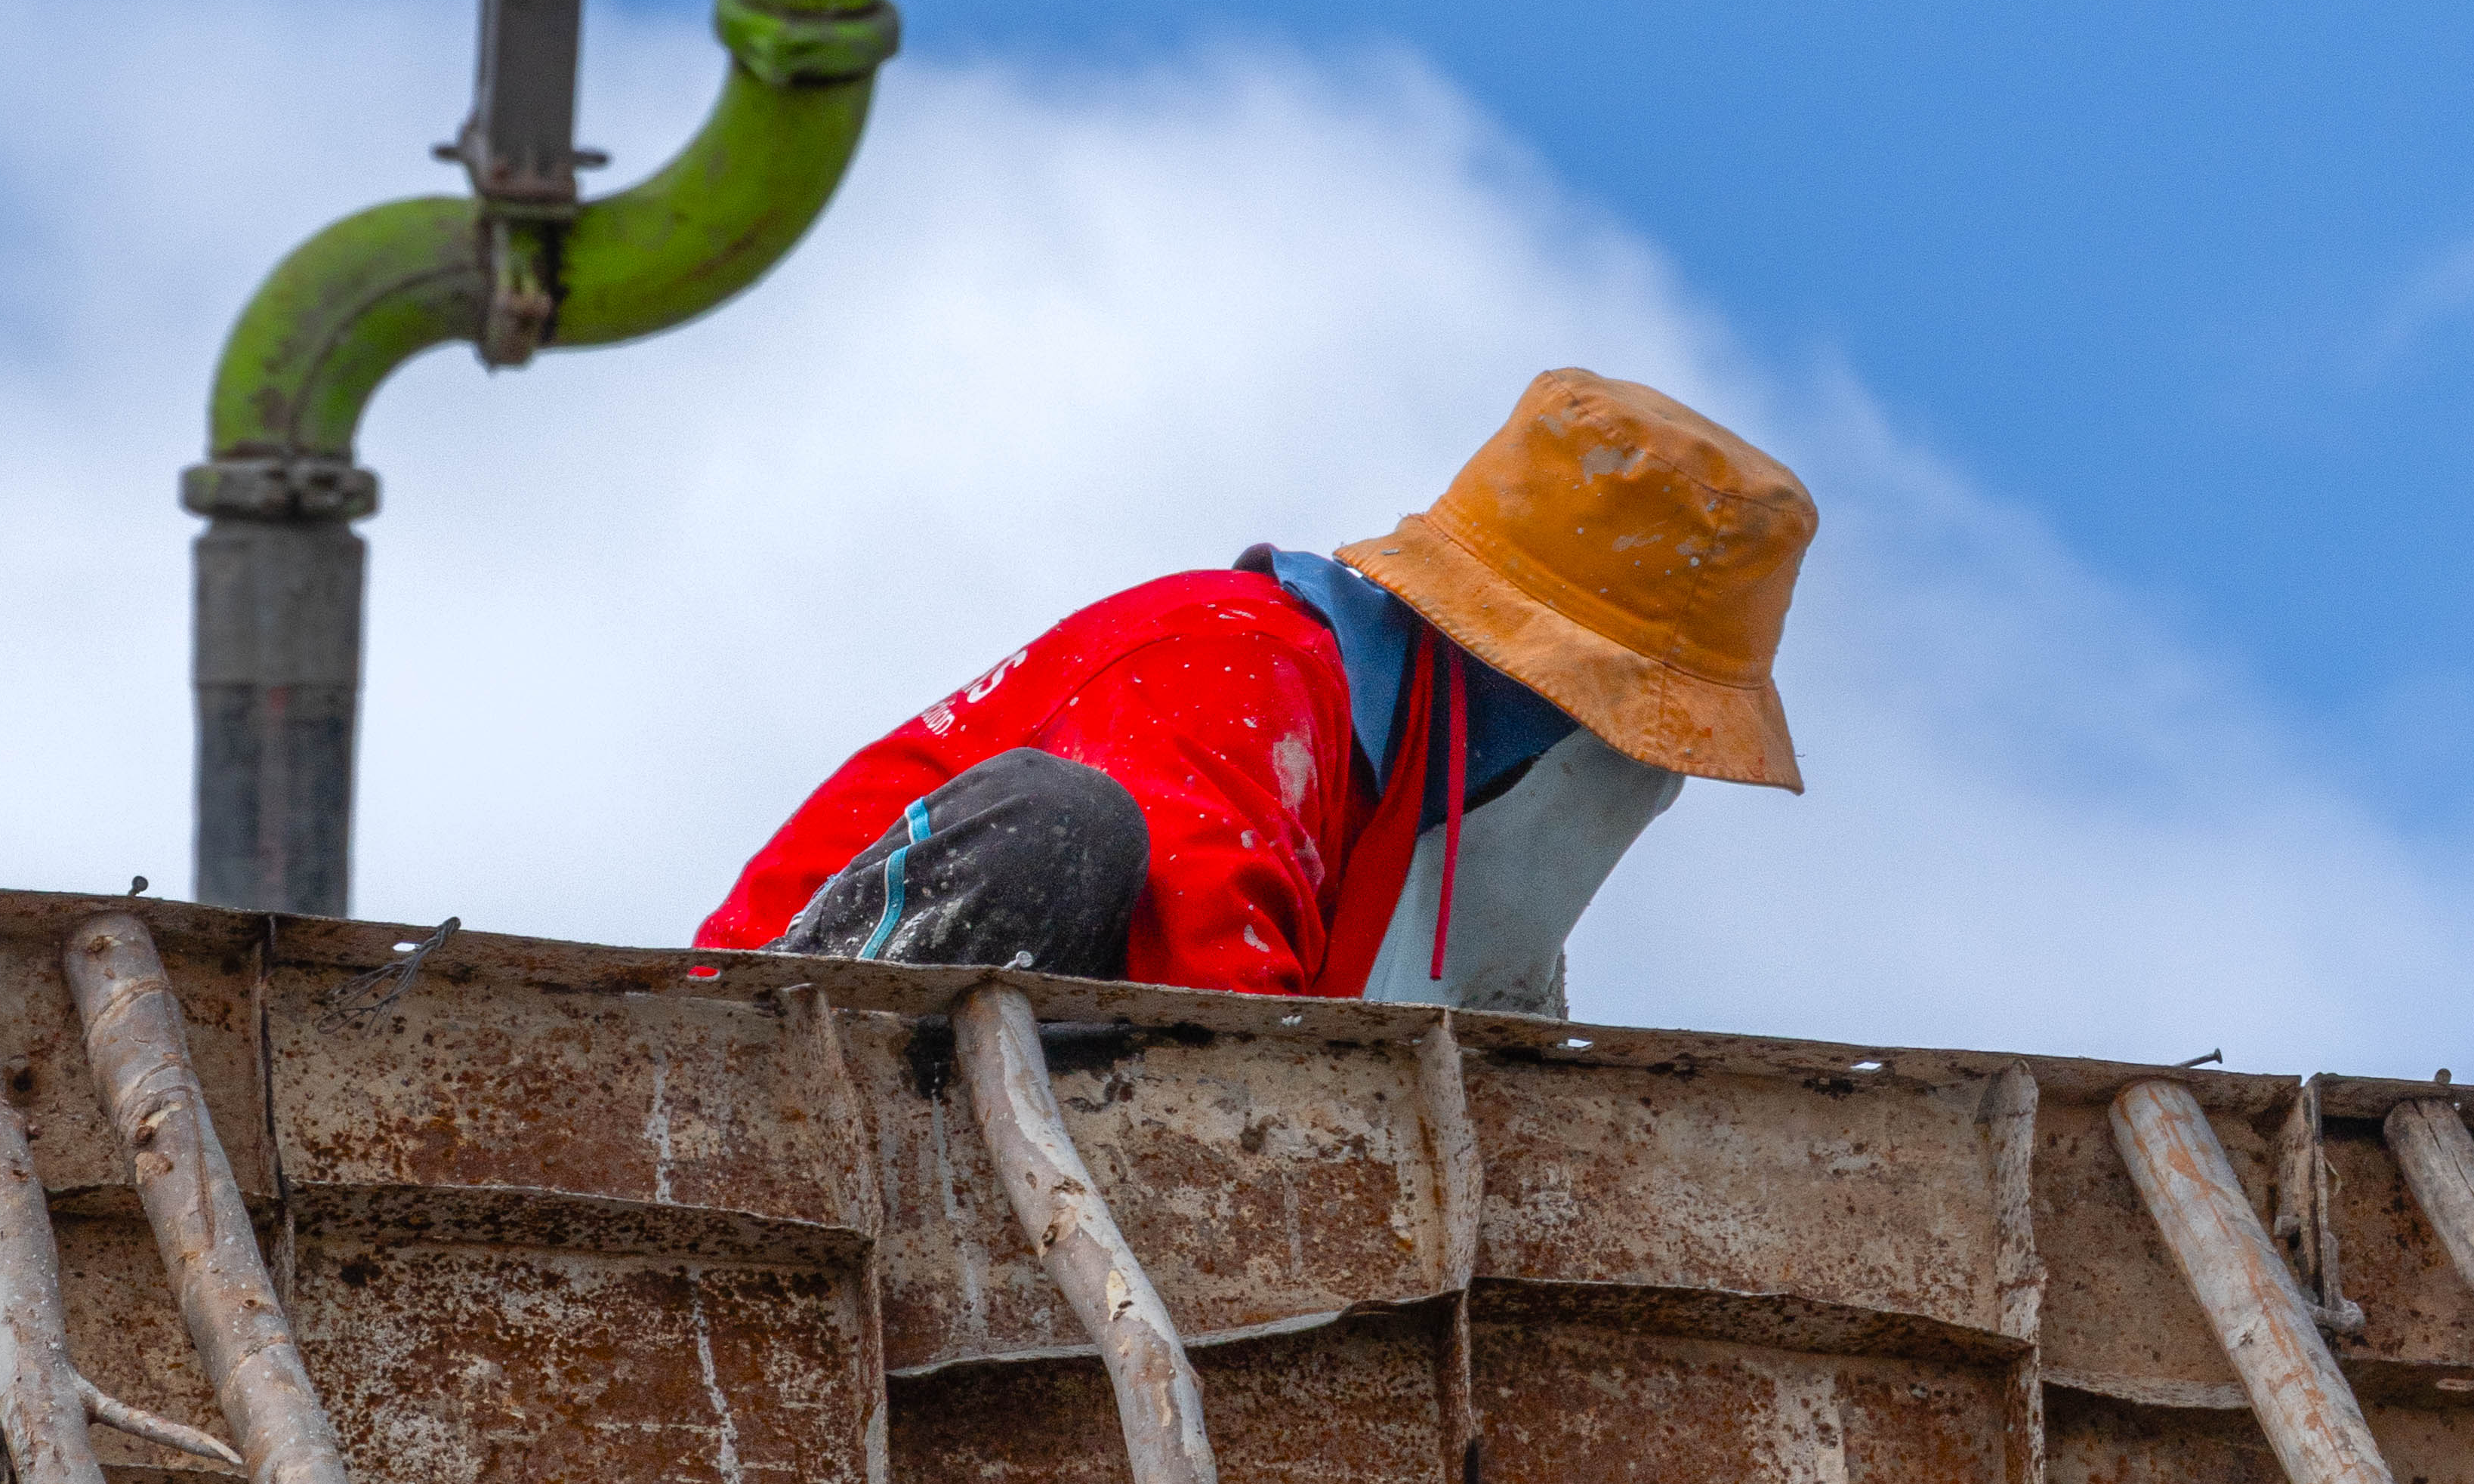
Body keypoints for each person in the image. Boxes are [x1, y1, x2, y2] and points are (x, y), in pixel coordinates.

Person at [700, 365, 1812, 1014]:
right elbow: (1223, 1030)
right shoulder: (1233, 663)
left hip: (1058, 1116)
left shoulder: (1424, 804)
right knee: (1060, 830)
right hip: (787, 1034)